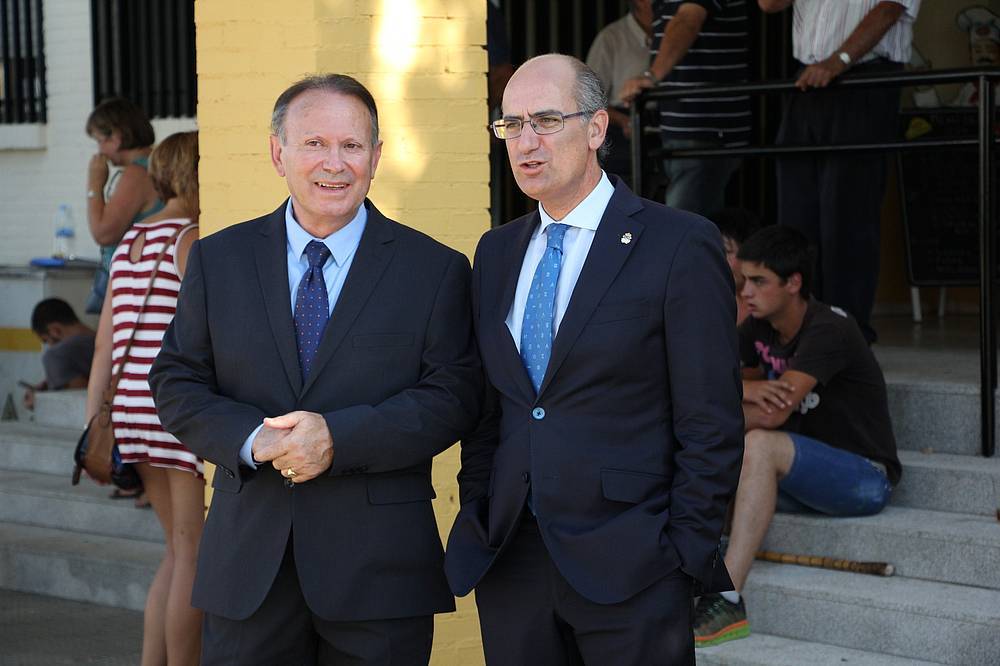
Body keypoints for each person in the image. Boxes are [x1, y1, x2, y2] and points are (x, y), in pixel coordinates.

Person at [149, 74, 481, 665]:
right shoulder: (219, 259)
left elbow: (453, 395)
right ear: (278, 154)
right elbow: (176, 381)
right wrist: (253, 440)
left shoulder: (434, 269)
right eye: (314, 144)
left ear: (376, 156)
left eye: (352, 145)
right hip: (247, 570)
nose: (334, 163)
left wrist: (337, 438)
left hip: (381, 577)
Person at [445, 54, 744, 665]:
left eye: (547, 121)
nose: (526, 141)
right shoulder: (496, 252)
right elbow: (491, 410)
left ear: (597, 128)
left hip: (635, 563)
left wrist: (682, 552)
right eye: (511, 125)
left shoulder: (678, 242)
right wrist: (480, 505)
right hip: (513, 559)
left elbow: (710, 418)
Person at [693, 225, 901, 647]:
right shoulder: (759, 327)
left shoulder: (830, 329)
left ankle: (727, 597)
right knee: (706, 446)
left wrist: (738, 396)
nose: (746, 292)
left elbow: (769, 415)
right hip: (798, 474)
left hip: (862, 477)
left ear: (793, 283)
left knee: (755, 442)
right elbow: (713, 390)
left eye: (759, 281)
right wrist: (744, 389)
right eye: (743, 281)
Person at [86, 131, 203, 665]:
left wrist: (95, 418)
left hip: (131, 410)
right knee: (194, 554)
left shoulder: (131, 238)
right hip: (174, 410)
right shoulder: (190, 238)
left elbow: (104, 343)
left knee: (175, 551)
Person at [758, 0, 921, 344]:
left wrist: (839, 60)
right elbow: (768, 4)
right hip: (808, 76)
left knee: (847, 216)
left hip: (863, 76)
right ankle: (797, 330)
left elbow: (890, 8)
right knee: (796, 216)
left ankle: (845, 335)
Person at [619, 0, 750, 215]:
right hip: (681, 128)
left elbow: (688, 20)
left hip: (703, 128)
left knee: (682, 224)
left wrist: (651, 76)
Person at [84, 97, 164, 313]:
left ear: (117, 136)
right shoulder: (156, 163)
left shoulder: (136, 174)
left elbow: (104, 233)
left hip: (131, 284)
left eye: (100, 140)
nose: (100, 150)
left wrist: (94, 185)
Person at [585, 0, 654, 185]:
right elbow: (590, 100)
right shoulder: (611, 38)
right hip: (622, 125)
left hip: (666, 122)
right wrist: (623, 120)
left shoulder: (672, 35)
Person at [23, 298, 95, 410]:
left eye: (46, 340)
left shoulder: (56, 355)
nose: (50, 346)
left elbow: (73, 406)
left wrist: (38, 401)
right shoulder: (108, 342)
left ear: (55, 331)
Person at [709, 208, 761, 326]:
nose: (718, 260)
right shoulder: (705, 301)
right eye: (714, 252)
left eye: (727, 251)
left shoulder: (768, 305)